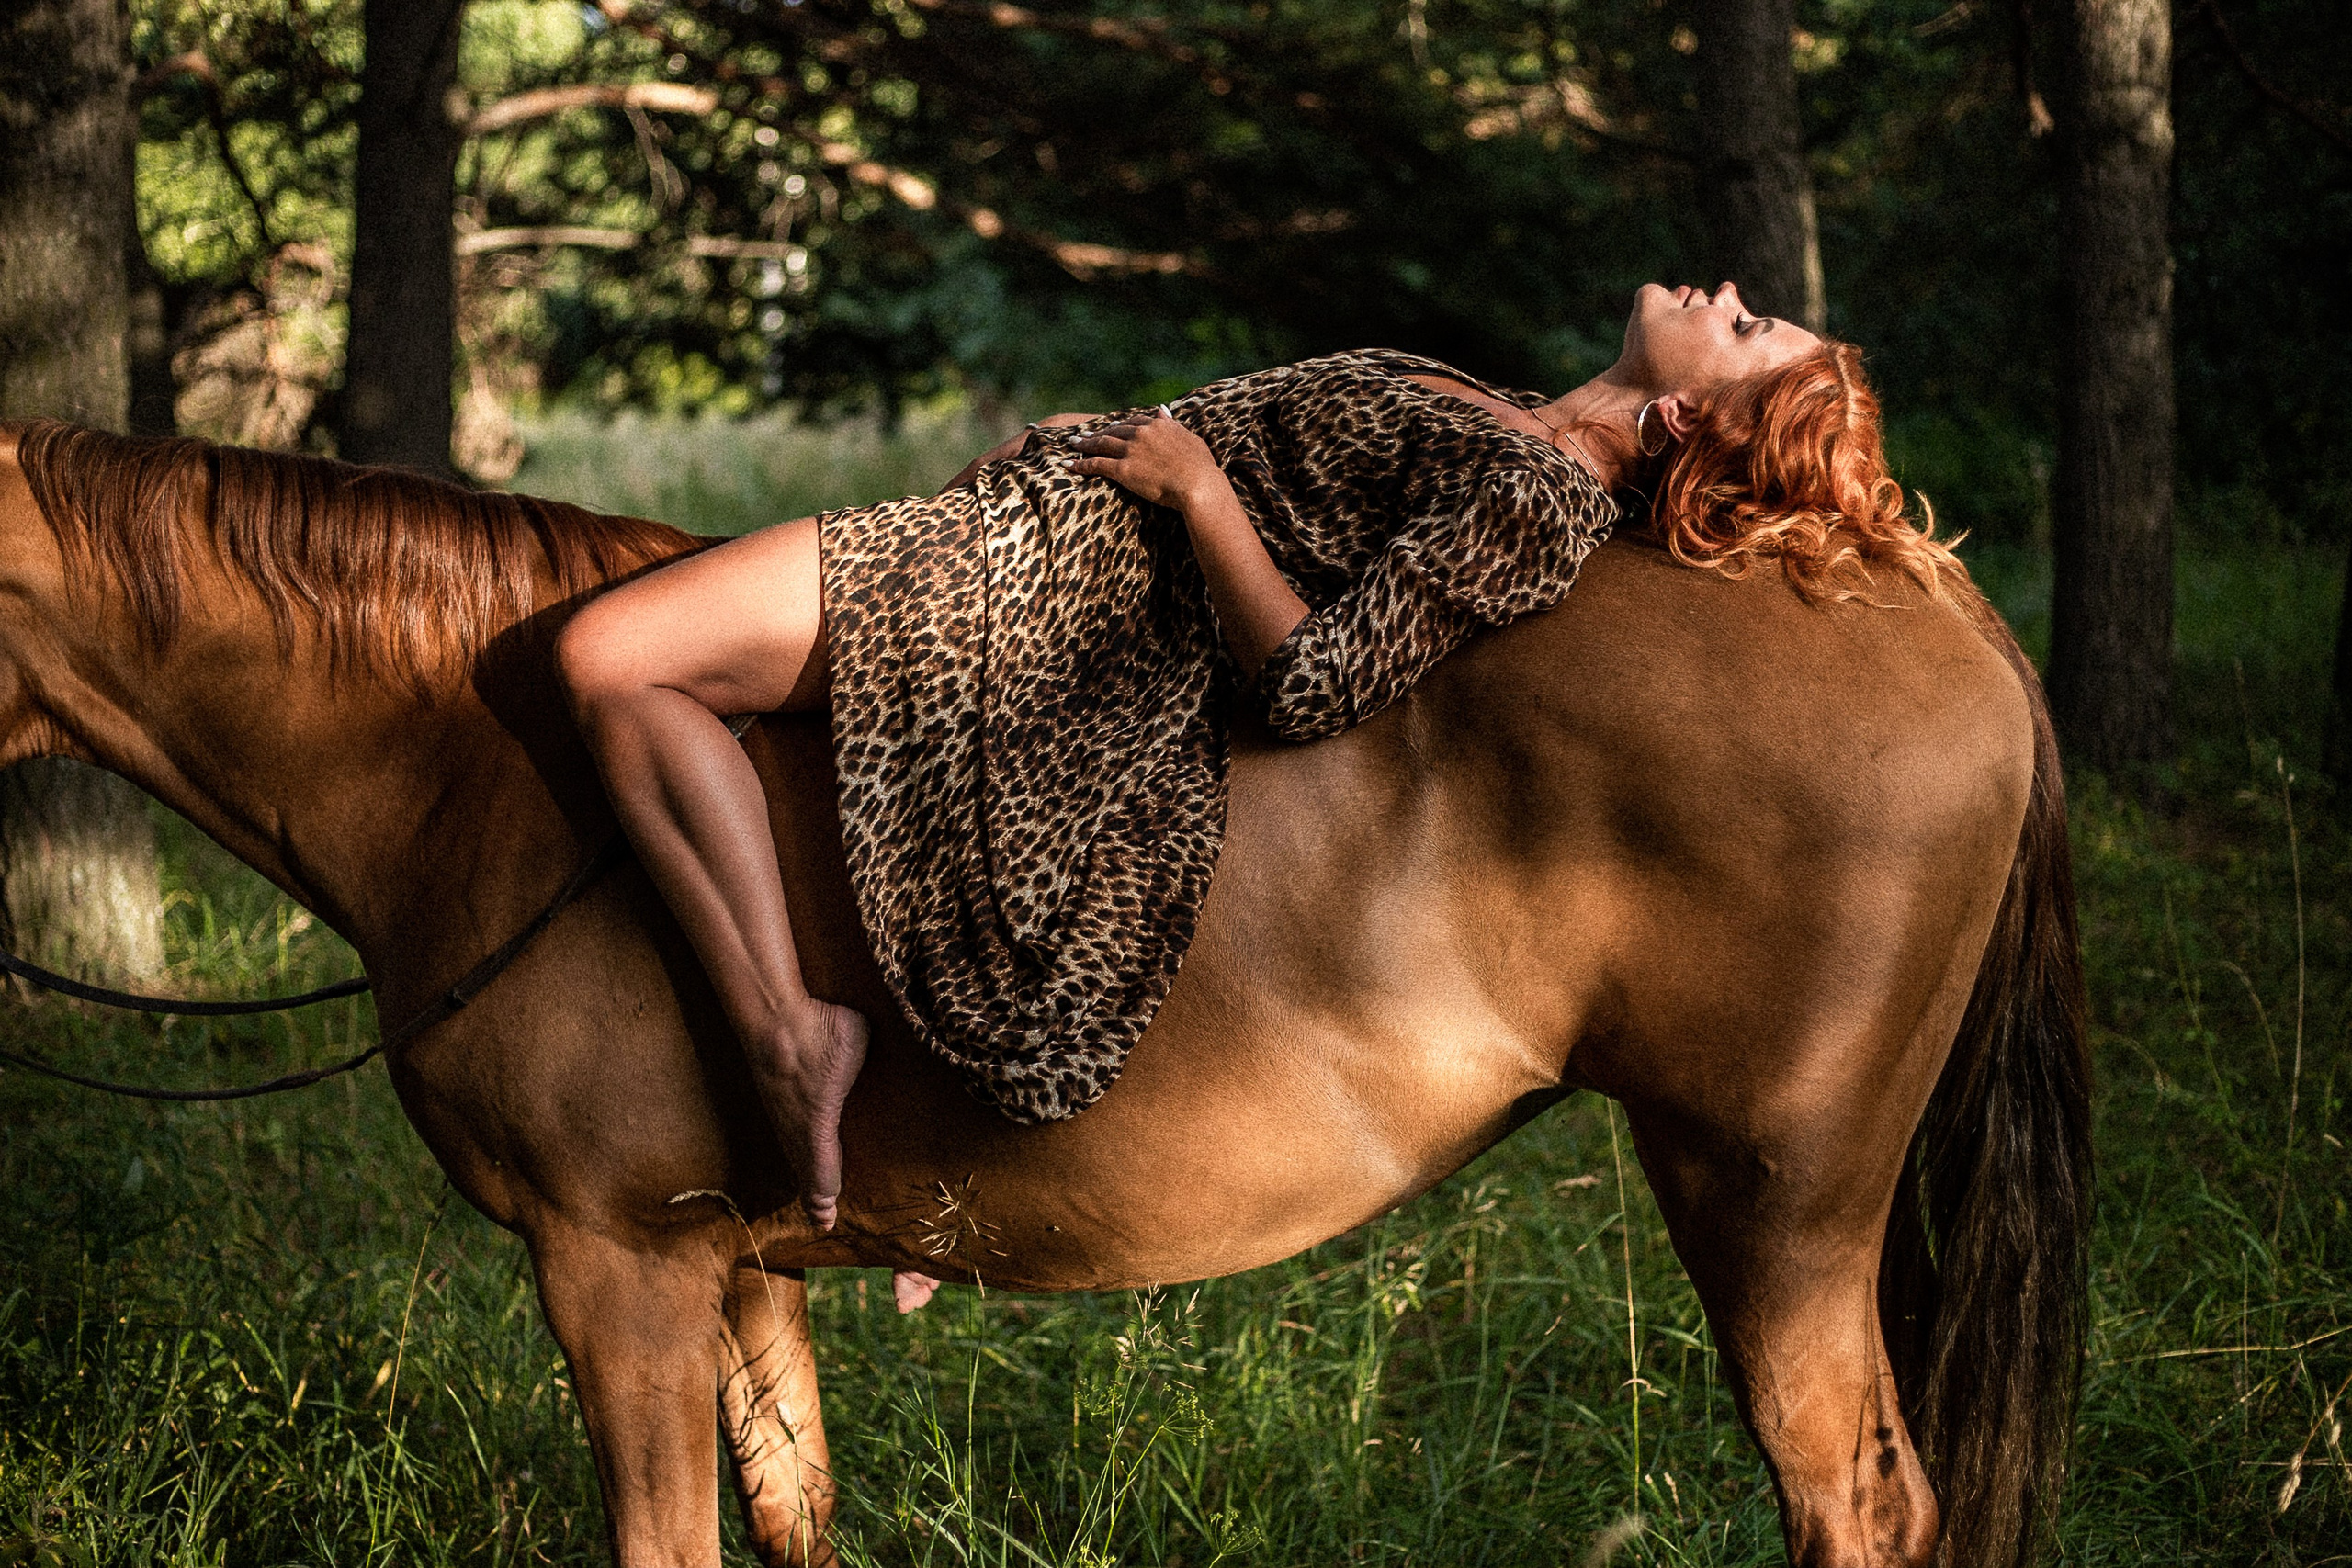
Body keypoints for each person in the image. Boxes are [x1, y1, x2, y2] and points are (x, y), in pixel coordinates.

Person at [555, 280, 1953, 1237]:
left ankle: (785, 1036)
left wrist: (1193, 490)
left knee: (612, 660)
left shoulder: (1539, 500)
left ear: (1692, 422)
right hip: (1038, 539)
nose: (1722, 293)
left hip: (1047, 598)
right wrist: (1088, 444)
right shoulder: (1508, 409)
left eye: (1748, 324)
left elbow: (1317, 681)